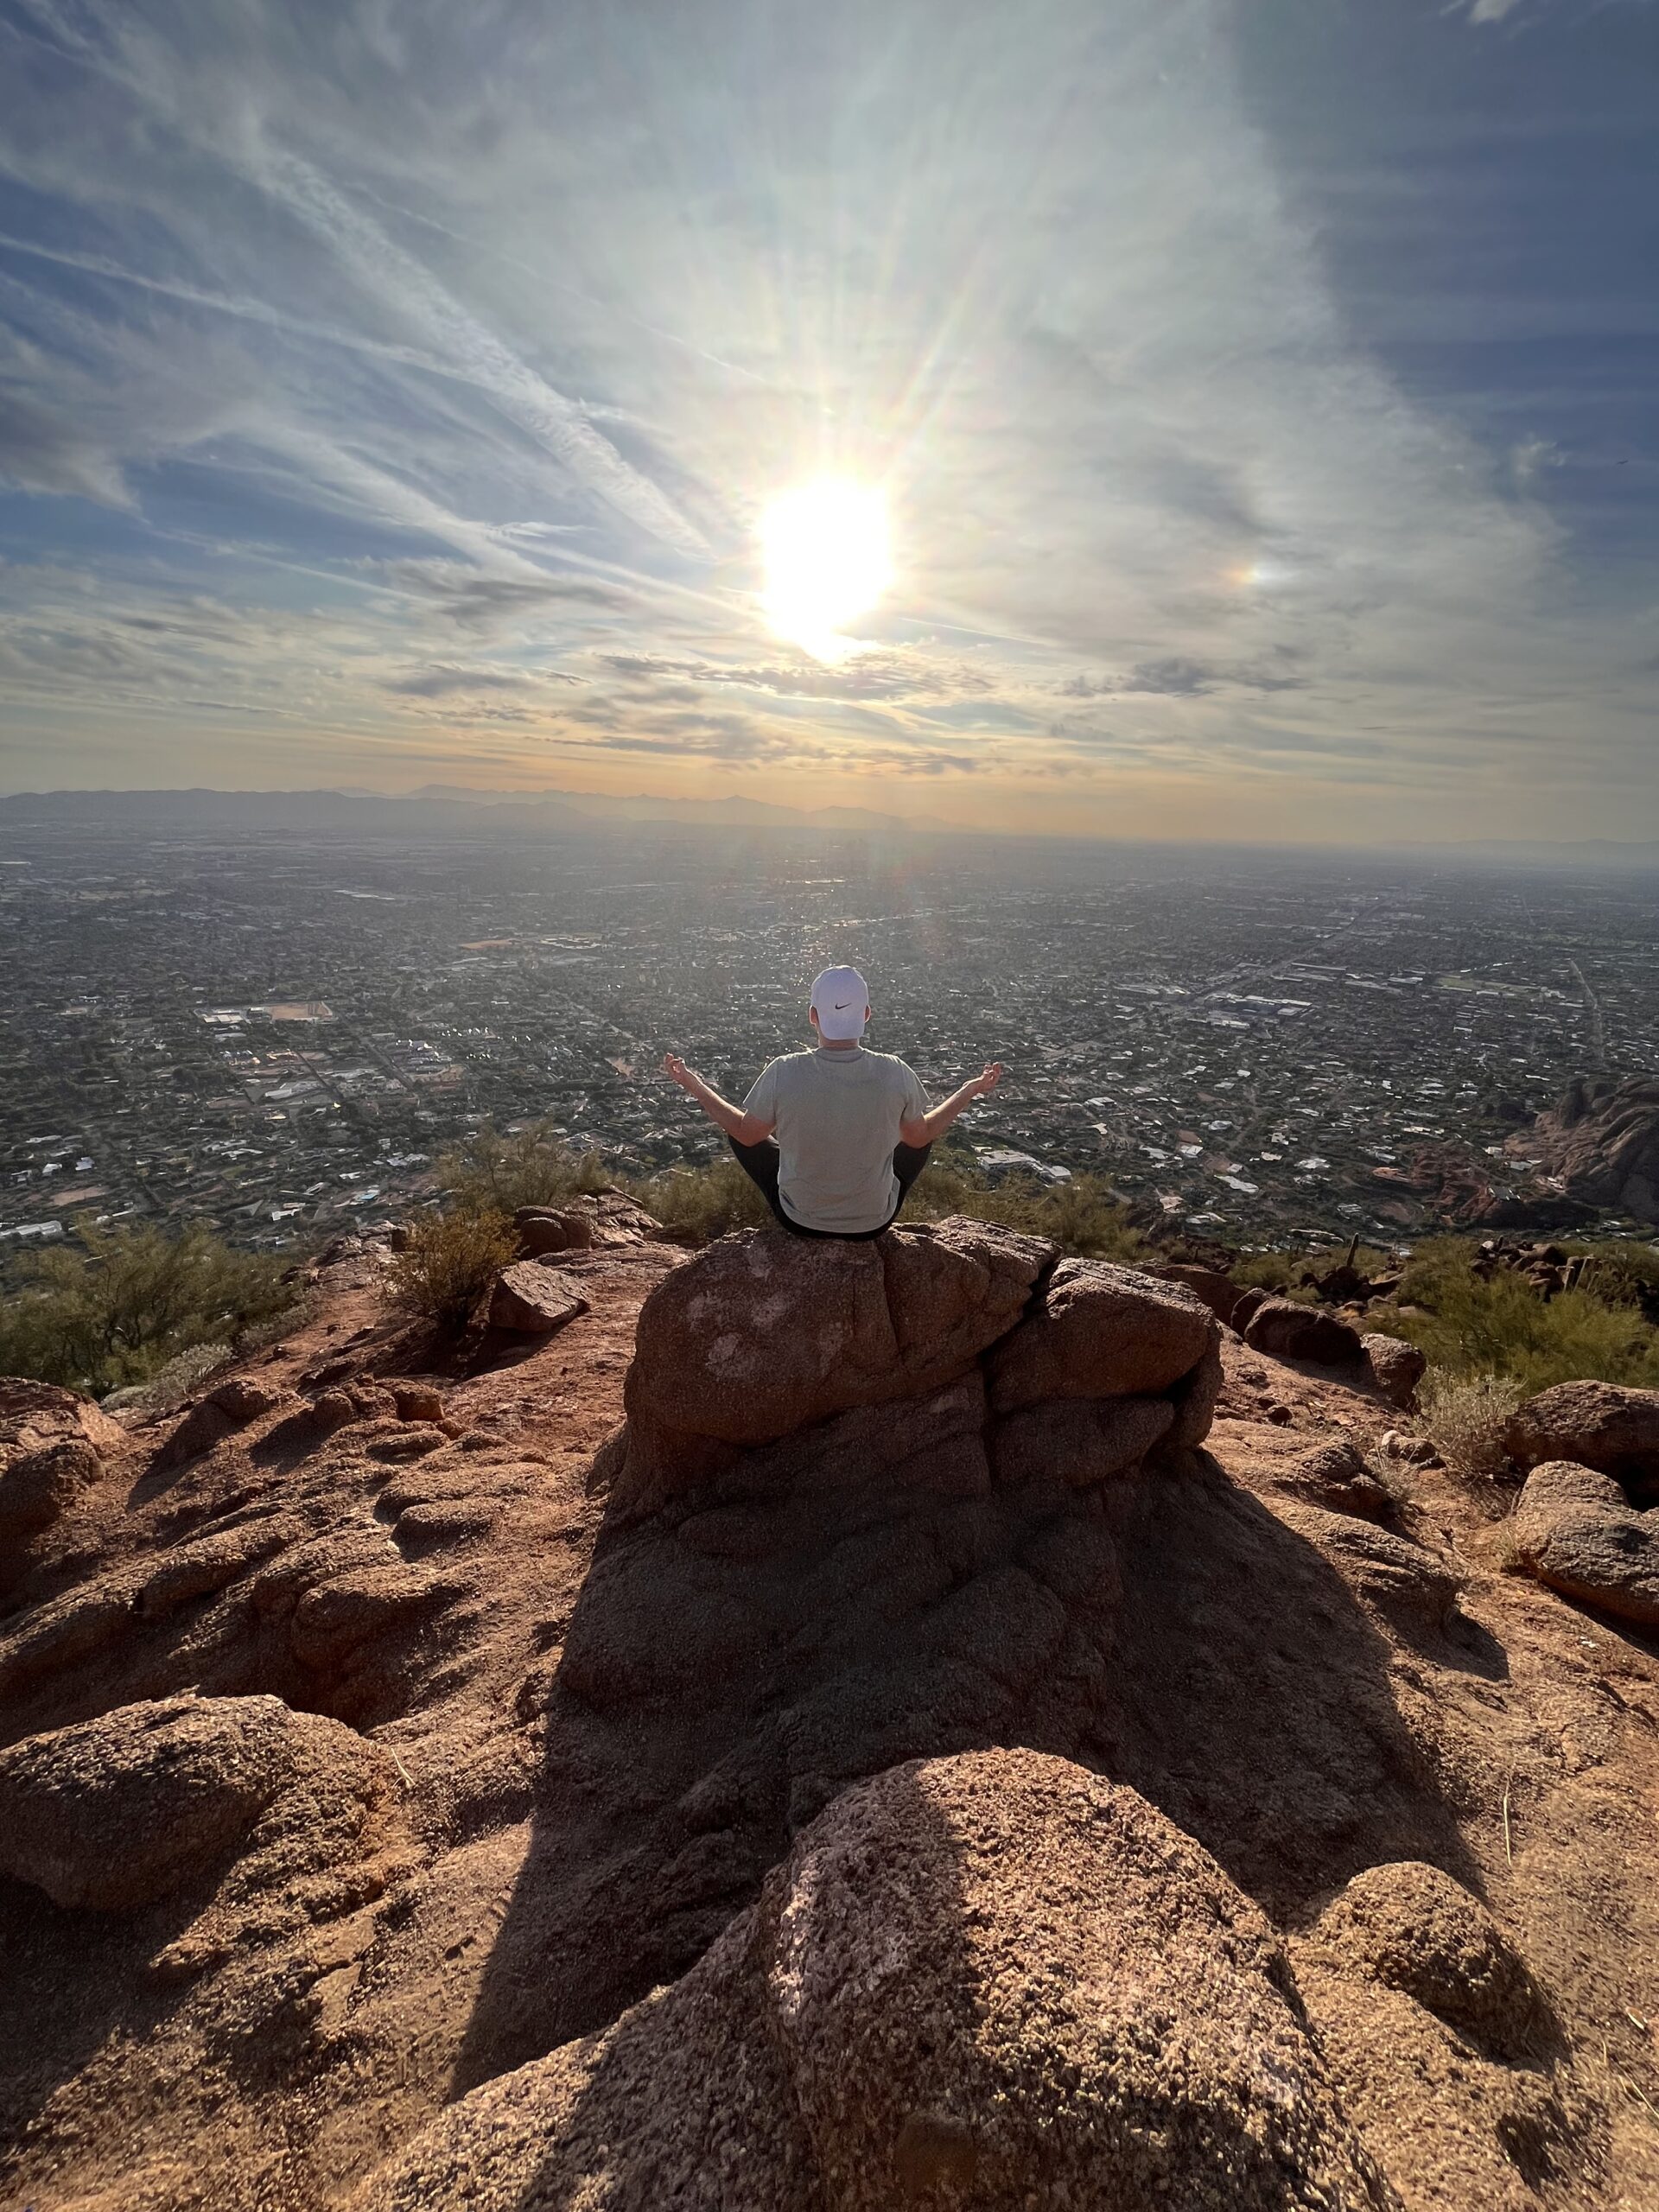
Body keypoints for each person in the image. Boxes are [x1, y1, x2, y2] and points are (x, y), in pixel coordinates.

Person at [661, 964, 1003, 1239]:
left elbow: (747, 1135)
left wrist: (692, 1082)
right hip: (872, 1225)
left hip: (800, 1221)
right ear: (867, 1014)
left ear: (813, 1015)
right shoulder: (894, 1072)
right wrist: (969, 1089)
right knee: (920, 1134)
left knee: (739, 1129)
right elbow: (918, 1138)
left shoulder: (785, 1070)